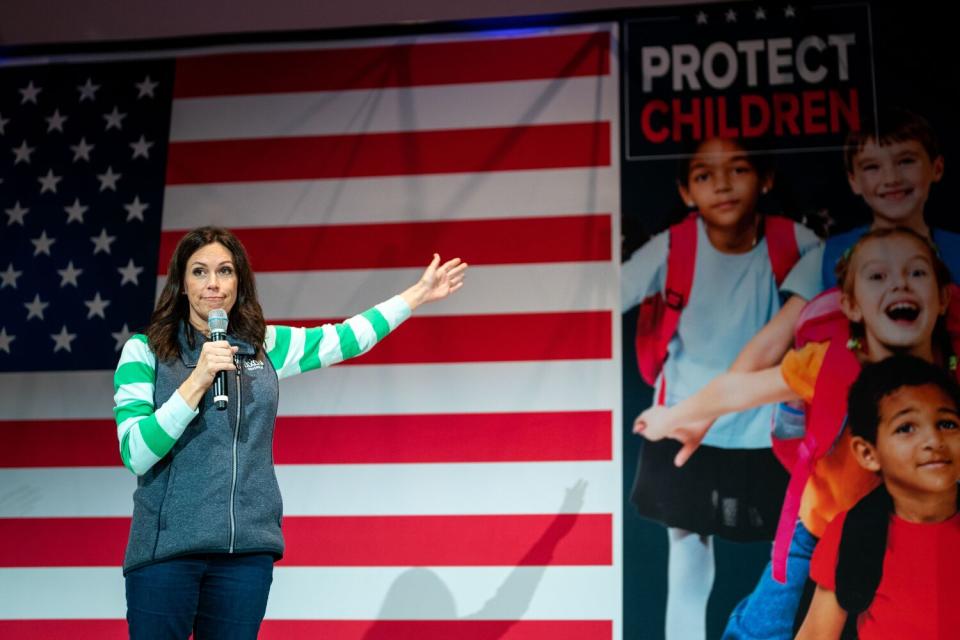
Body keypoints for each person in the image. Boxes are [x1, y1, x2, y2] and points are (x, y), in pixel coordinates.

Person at [113, 226, 467, 639]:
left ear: (239, 281)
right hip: (166, 553)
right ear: (182, 282)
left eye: (225, 271)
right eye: (199, 272)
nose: (213, 283)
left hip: (245, 555)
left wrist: (415, 297)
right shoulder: (145, 351)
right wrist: (197, 381)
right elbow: (136, 452)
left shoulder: (263, 345)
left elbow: (344, 339)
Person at [633, 226, 954, 639]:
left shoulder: (951, 369)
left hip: (911, 533)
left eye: (916, 274)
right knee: (763, 630)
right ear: (851, 305)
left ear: (943, 298)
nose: (899, 284)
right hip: (820, 527)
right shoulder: (827, 364)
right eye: (877, 276)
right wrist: (682, 416)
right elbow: (736, 389)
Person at [621, 136, 818, 640]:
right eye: (705, 175)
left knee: (788, 563)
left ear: (766, 179)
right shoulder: (674, 246)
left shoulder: (799, 243)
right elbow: (609, 294)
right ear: (686, 191)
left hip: (767, 432)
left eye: (739, 169)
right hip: (681, 425)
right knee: (686, 563)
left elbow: (778, 343)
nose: (723, 184)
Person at [731, 108, 958, 375]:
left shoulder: (956, 250)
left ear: (937, 167)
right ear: (853, 180)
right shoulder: (827, 257)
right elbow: (767, 348)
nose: (891, 179)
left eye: (906, 161)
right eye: (872, 167)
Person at [796, 355, 960, 639]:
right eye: (906, 428)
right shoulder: (853, 533)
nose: (934, 440)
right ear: (868, 453)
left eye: (947, 424)